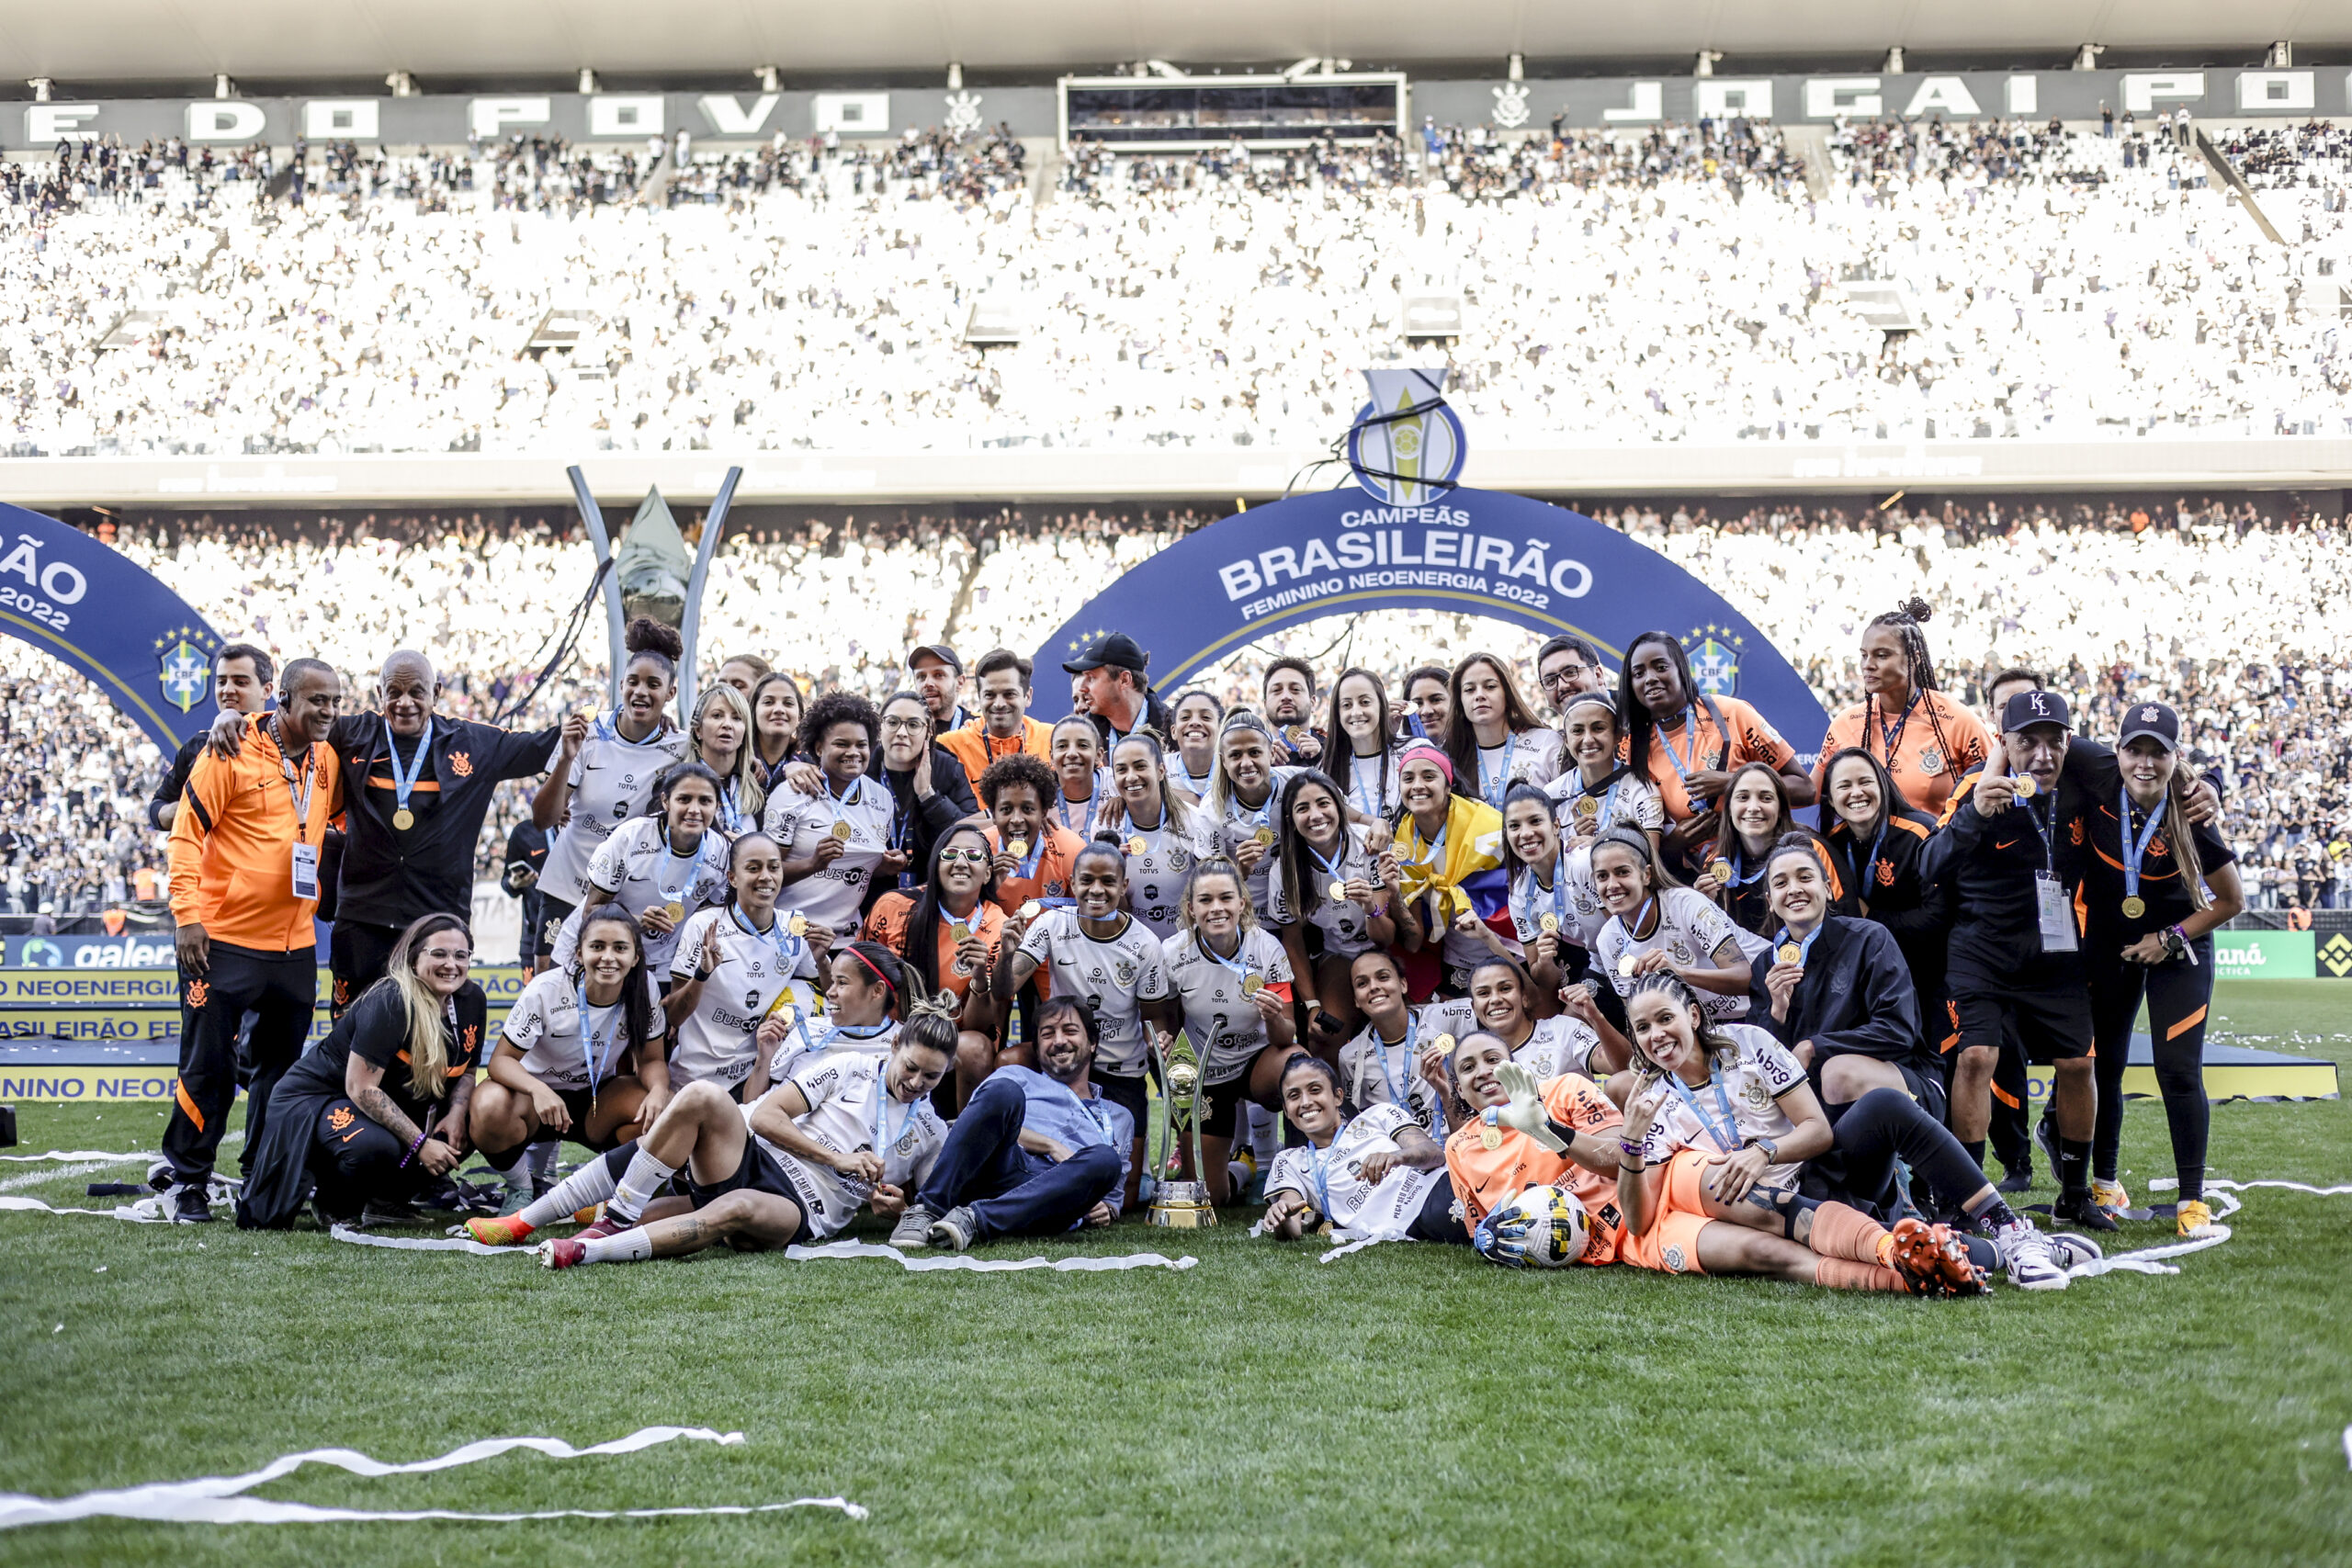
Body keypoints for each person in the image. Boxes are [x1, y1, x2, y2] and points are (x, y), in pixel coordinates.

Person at [1610, 974, 2018, 1293]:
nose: (1656, 1035)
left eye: (1666, 1019)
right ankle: (2001, 1253)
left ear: (1693, 1016)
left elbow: (1818, 1131)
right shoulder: (1652, 1103)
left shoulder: (1747, 1043)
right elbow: (1639, 1220)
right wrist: (1631, 1142)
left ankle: (2009, 1229)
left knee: (1882, 1105)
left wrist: (1764, 1152)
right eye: (1642, 1028)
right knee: (1912, 1250)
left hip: (1824, 1174)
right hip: (1769, 1217)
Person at [208, 648, 564, 1012]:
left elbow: (553, 742)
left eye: (416, 692)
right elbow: (290, 725)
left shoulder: (474, 744)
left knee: (432, 1037)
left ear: (437, 693)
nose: (404, 703)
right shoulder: (351, 733)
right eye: (393, 692)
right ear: (380, 694)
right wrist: (237, 718)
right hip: (363, 918)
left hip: (438, 920)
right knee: (350, 1032)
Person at [487, 1000, 957, 1264]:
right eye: (912, 1067)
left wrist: (895, 1209)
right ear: (895, 1045)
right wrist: (838, 1159)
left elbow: (924, 1208)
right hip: (751, 1153)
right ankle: (532, 1220)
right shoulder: (853, 1067)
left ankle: (589, 1250)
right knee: (702, 1096)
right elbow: (766, 1117)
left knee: (734, 1208)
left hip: (798, 1209)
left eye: (932, 1078)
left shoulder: (932, 1131)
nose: (916, 1082)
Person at [1921, 688, 2113, 1232]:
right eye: (2028, 742)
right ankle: (1965, 1196)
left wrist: (2204, 782)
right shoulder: (1977, 788)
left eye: (2054, 741)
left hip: (2054, 952)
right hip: (1980, 951)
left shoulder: (2082, 782)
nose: (2043, 755)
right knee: (1977, 1056)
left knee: (2078, 1064)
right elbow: (1928, 865)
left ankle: (2074, 1194)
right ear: (2003, 742)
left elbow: (2145, 766)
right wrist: (1976, 813)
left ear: (2070, 742)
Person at [163, 657, 344, 1223]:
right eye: (317, 701)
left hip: (294, 948)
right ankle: (187, 1181)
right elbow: (185, 835)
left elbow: (328, 822)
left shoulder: (328, 758)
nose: (328, 712)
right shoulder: (227, 750)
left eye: (335, 701)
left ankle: (260, 1175)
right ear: (283, 699)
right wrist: (187, 915)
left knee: (278, 1072)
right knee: (208, 1066)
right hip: (220, 939)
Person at [2077, 702, 2242, 1236]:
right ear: (2116, 751)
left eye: (2158, 752)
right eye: (2135, 750)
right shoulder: (2096, 771)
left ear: (2177, 757)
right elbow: (2031, 739)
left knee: (2177, 1070)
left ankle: (2192, 1200)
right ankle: (2104, 1185)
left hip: (2180, 948)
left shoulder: (2189, 811)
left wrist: (2167, 940)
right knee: (2105, 1066)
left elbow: (2231, 900)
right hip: (2110, 946)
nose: (2144, 763)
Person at [235, 913, 486, 1230]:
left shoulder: (471, 998)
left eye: (460, 955)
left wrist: (458, 1113)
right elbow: (361, 1088)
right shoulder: (390, 1000)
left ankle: (387, 1202)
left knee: (468, 1126)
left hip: (380, 1098)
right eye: (438, 954)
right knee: (375, 1145)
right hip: (322, 1098)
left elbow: (468, 1067)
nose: (451, 964)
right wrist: (421, 1143)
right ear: (413, 958)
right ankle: (332, 1204)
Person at [888, 996, 1136, 1251]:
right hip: (1003, 1163)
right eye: (1047, 1034)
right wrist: (1050, 1146)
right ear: (1037, 1047)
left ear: (1092, 1043)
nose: (1059, 1041)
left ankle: (974, 1220)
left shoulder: (1118, 1117)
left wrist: (1107, 1209)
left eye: (1070, 1031)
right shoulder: (1016, 1075)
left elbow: (1113, 1195)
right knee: (1004, 1091)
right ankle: (928, 1209)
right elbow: (976, 1127)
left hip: (1053, 1193)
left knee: (1106, 1160)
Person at [997, 841, 1168, 1199]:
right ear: (1072, 884)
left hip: (1122, 1067)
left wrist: (1160, 1041)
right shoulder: (1052, 923)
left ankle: (1141, 1169)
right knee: (1012, 1064)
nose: (1096, 890)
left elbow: (1154, 1019)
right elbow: (1004, 989)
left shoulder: (1146, 945)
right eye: (1087, 880)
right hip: (1066, 1060)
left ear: (1124, 886)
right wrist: (1007, 953)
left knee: (1129, 1194)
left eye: (1108, 881)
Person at [470, 904, 671, 1210]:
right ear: (579, 953)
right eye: (597, 947)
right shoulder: (546, 990)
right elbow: (500, 1061)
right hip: (533, 1101)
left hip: (594, 1101)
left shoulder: (645, 988)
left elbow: (652, 1061)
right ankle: (521, 1187)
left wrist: (657, 1091)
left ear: (635, 957)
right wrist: (538, 1090)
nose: (608, 957)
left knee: (664, 1109)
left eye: (620, 948)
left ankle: (613, 1189)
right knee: (489, 1107)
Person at [1747, 835, 1943, 1120]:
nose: (1794, 889)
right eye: (1781, 883)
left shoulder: (1869, 939)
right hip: (1816, 1101)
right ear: (1770, 902)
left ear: (1827, 889)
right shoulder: (1766, 965)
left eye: (1805, 878)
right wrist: (1777, 1012)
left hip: (1902, 1078)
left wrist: (1816, 1046)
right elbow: (1761, 1060)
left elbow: (1898, 1031)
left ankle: (1896, 1163)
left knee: (1837, 1073)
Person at [531, 618, 691, 964]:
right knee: (550, 986)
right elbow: (542, 819)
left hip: (620, 893)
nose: (641, 692)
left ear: (671, 692)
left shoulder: (681, 748)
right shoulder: (589, 732)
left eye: (653, 684)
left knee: (609, 987)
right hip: (567, 884)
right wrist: (565, 760)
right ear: (621, 685)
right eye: (633, 682)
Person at [1158, 857, 1295, 1204]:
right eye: (1205, 900)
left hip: (1256, 1064)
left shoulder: (1267, 948)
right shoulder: (1173, 954)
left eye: (1225, 898)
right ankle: (1243, 1170)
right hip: (1207, 1073)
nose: (1216, 908)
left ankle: (1300, 1168)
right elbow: (1165, 1018)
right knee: (1208, 1197)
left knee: (1298, 1063)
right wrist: (1164, 1043)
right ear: (1191, 909)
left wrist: (1275, 1017)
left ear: (1242, 903)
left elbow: (1285, 1035)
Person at [1618, 629, 1812, 870]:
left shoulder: (1731, 713)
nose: (1650, 678)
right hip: (1699, 877)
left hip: (1765, 861)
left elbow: (1806, 789)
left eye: (1660, 667)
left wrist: (1735, 782)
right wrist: (1674, 844)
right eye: (1639, 673)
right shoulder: (1633, 748)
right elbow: (1640, 842)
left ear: (1681, 669)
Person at [663, 832, 831, 1098]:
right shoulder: (705, 926)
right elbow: (674, 1016)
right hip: (694, 1078)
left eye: (774, 867)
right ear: (732, 877)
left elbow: (832, 995)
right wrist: (702, 974)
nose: (766, 876)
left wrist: (823, 961)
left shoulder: (795, 926)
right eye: (753, 868)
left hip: (753, 1077)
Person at [1438, 1032, 1628, 1264]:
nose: (1482, 1071)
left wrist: (1547, 1129)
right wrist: (1487, 1237)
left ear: (1515, 1067)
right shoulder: (1457, 1146)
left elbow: (1622, 1160)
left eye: (1493, 1060)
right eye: (1468, 1068)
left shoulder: (1567, 1088)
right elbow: (1484, 1227)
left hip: (1628, 1231)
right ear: (1459, 1090)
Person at [1816, 747, 1951, 1055]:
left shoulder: (1920, 832)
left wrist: (1872, 916)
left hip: (1930, 972)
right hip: (1874, 976)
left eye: (1865, 782)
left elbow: (1938, 918)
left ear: (1881, 785)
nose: (1856, 793)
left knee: (1933, 1061)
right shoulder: (1833, 843)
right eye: (1844, 786)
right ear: (1830, 799)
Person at [862, 822, 1006, 1101]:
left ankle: (965, 1134)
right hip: (893, 1030)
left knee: (975, 1047)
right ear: (936, 864)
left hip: (953, 1039)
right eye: (950, 854)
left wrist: (978, 977)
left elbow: (980, 1028)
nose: (961, 862)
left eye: (974, 856)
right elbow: (860, 977)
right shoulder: (894, 905)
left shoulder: (999, 924)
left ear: (988, 873)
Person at [1812, 599, 1992, 820]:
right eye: (1864, 655)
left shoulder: (1958, 721)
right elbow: (1812, 792)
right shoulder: (1846, 723)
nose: (1868, 664)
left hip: (1933, 851)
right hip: (1863, 854)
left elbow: (1991, 791)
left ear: (1914, 659)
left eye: (1882, 655)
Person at [544, 761, 729, 976]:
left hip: (658, 963)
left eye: (705, 801)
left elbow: (713, 912)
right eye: (684, 799)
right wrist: (634, 922)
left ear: (717, 806)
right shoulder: (630, 837)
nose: (694, 810)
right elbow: (590, 911)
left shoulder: (722, 853)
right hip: (595, 953)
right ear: (666, 801)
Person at [1260, 1054, 1460, 1244]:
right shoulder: (1289, 1161)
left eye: (1315, 1090)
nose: (1305, 1102)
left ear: (1338, 1097)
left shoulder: (1377, 1115)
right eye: (1294, 1096)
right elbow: (1292, 1221)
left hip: (1438, 1188)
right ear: (1286, 1110)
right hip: (1409, 1223)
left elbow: (1434, 1154)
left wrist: (1397, 1156)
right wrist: (1283, 1216)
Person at [1267, 768, 1396, 1051]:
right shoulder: (1284, 870)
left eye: (1323, 803)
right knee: (1322, 1037)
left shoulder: (1369, 846)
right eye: (1303, 808)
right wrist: (1312, 1005)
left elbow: (1386, 937)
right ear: (1291, 820)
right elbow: (1293, 941)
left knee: (1394, 1029)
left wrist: (1370, 908)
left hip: (1387, 950)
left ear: (1339, 807)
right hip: (1338, 953)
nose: (1315, 815)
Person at [1588, 827, 1751, 1021]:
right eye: (1602, 876)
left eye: (1623, 872)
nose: (1612, 885)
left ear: (1646, 875)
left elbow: (1747, 979)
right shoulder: (1608, 940)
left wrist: (1679, 974)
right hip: (1709, 1024)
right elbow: (1637, 1016)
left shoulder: (1686, 904)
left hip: (1766, 1003)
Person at [763, 692, 894, 932]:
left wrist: (887, 866)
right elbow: (764, 872)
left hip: (845, 937)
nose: (853, 752)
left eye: (861, 745)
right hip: (788, 932)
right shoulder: (792, 793)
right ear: (819, 748)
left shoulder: (882, 799)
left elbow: (859, 867)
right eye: (841, 744)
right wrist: (813, 864)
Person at [1389, 741, 1510, 996]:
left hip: (1511, 947)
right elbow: (1413, 941)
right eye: (1408, 778)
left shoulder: (1488, 826)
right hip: (1458, 958)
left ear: (1448, 785)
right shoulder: (1403, 844)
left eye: (1429, 776)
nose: (1418, 785)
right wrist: (1393, 893)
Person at [1097, 730, 1216, 940]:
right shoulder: (1105, 825)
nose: (1131, 776)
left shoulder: (1196, 821)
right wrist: (1113, 874)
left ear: (1161, 771)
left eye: (1140, 766)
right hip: (1134, 947)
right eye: (1122, 769)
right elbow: (1114, 910)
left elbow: (1209, 892)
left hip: (1188, 946)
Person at [866, 690, 980, 908]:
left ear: (928, 732)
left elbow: (971, 835)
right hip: (868, 896)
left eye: (913, 725)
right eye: (892, 722)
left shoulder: (947, 769)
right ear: (880, 728)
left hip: (934, 898)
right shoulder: (863, 768)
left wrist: (929, 796)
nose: (901, 732)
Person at [148, 642, 271, 831]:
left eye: (240, 682)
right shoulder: (198, 746)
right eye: (221, 682)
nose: (228, 690)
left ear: (267, 690)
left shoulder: (283, 744)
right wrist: (190, 807)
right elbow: (157, 807)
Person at [1693, 762, 1826, 935]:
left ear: (1780, 808)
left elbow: (1844, 920)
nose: (1754, 808)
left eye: (1766, 798)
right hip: (1748, 960)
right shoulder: (1715, 861)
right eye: (1742, 797)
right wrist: (1704, 906)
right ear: (1729, 808)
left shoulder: (1813, 851)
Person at [1204, 710, 1308, 916]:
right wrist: (1241, 868)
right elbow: (1211, 885)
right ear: (1223, 761)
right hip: (1244, 916)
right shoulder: (1211, 809)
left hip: (1301, 910)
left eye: (1254, 752)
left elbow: (1349, 816)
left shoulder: (1299, 782)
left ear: (1271, 752)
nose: (1246, 763)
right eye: (1235, 755)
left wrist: (1377, 823)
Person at [763, 942, 912, 1086]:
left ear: (877, 990)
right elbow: (755, 1104)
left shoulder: (906, 1046)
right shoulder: (807, 1030)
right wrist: (763, 1059)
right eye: (833, 982)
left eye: (842, 983)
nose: (829, 992)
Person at [1462, 953, 1615, 1081]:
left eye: (1505, 989)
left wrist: (1596, 1018)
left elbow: (1623, 1067)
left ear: (1524, 997)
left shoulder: (1562, 1029)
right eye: (1483, 993)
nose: (1495, 999)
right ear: (1474, 1007)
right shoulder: (1475, 1063)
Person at [1544, 691, 1664, 848]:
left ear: (1618, 735)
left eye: (1598, 728)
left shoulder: (1641, 790)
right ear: (1566, 740)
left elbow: (1650, 854)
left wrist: (1599, 843)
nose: (1588, 739)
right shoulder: (1552, 794)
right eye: (1577, 731)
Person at [1443, 651, 1563, 808]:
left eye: (1490, 687)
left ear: (1507, 693)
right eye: (1469, 690)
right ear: (1460, 700)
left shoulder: (1546, 742)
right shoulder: (1449, 756)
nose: (1479, 695)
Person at [978, 752, 1087, 914]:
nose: (1016, 819)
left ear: (1043, 812)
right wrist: (985, 886)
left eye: (1027, 809)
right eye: (1006, 810)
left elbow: (1092, 914)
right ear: (994, 815)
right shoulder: (978, 851)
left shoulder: (1071, 849)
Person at [937, 648, 1052, 782]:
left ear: (1028, 696)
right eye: (990, 695)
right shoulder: (949, 747)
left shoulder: (1053, 740)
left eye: (1009, 694)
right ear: (980, 698)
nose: (999, 704)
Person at [684, 682, 765, 837]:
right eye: (717, 716)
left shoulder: (758, 781)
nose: (727, 724)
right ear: (698, 729)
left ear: (745, 732)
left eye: (737, 718)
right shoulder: (677, 782)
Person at [1323, 666, 1403, 820]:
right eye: (1346, 705)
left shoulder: (1412, 750)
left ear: (1381, 704)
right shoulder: (1327, 768)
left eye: (1365, 702)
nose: (1356, 712)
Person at [1065, 632, 1170, 746]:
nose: (1082, 689)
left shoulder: (1178, 731)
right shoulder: (1083, 735)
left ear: (1124, 680)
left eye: (1091, 678)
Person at [1047, 715, 1112, 840]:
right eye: (1062, 746)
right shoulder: (1038, 795)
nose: (1071, 754)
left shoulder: (1115, 783)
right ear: (1051, 757)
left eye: (1082, 745)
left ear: (1099, 755)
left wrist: (1125, 799)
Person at [501, 818, 549, 971]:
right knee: (535, 994)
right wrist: (514, 884)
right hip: (534, 936)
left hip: (577, 934)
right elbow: (506, 882)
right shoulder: (524, 831)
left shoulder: (586, 827)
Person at [747, 671, 806, 795]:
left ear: (799, 716)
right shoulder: (735, 759)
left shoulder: (810, 764)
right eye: (768, 702)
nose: (779, 710)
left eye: (788, 703)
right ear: (754, 711)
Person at [1261, 656, 1325, 766]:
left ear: (1313, 703)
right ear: (1265, 705)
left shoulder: (1336, 749)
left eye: (1296, 689)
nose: (1286, 696)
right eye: (1276, 690)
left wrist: (1321, 760)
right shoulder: (1252, 756)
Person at [1166, 687, 1224, 800]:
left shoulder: (1232, 768)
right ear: (1174, 731)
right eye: (1185, 717)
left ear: (1220, 729)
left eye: (1206, 717)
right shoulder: (1157, 767)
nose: (1195, 722)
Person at [1534, 634, 1610, 717]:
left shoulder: (1626, 710)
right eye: (1551, 681)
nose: (1562, 686)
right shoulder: (1551, 730)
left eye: (1570, 673)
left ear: (1598, 675)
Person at [907, 643, 972, 733]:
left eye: (938, 675)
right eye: (921, 677)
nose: (928, 683)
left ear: (960, 682)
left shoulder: (980, 730)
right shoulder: (902, 731)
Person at [1400, 664, 1452, 746]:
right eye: (1418, 703)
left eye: (1436, 700)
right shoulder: (1398, 755)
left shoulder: (1476, 749)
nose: (1426, 711)